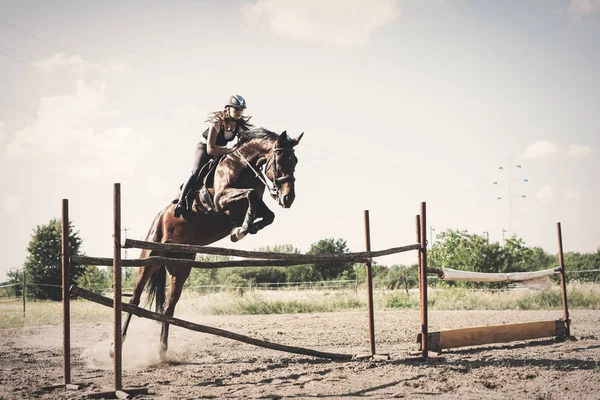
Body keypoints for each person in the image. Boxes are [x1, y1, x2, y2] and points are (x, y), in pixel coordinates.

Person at [174, 94, 254, 217]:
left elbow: (246, 141)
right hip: (205, 148)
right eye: (236, 109)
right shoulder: (216, 124)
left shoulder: (238, 126)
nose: (239, 112)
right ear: (228, 109)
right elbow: (210, 150)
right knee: (196, 171)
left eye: (241, 109)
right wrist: (230, 150)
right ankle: (181, 201)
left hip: (221, 150)